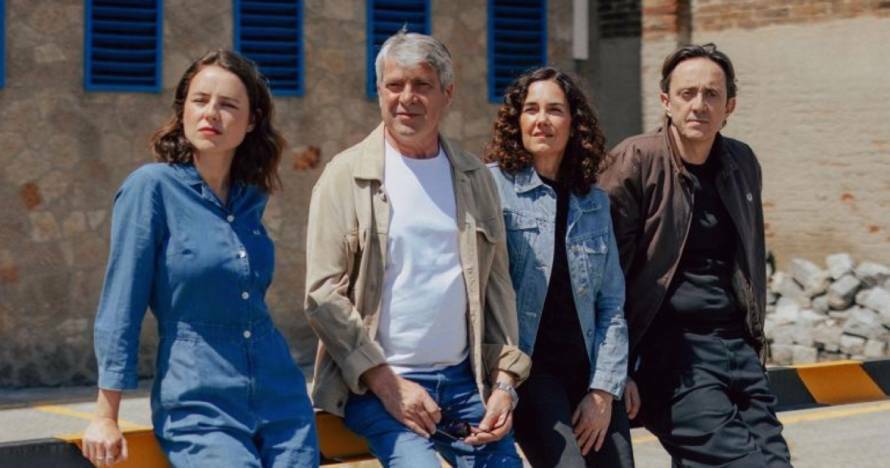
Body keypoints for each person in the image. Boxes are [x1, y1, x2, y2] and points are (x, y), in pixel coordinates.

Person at [82, 50, 319, 467]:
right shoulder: (151, 188)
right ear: (183, 111)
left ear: (251, 121)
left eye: (228, 104)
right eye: (200, 100)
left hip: (281, 399)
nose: (211, 113)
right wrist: (105, 415)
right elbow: (121, 304)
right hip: (199, 403)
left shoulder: (250, 198)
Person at [304, 31, 530, 467]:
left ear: (447, 93)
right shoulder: (345, 176)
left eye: (422, 85)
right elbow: (322, 296)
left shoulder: (475, 178)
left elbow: (497, 289)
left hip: (464, 384)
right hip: (375, 384)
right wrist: (388, 384)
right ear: (380, 91)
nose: (406, 98)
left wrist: (504, 384)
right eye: (394, 85)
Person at [599, 43, 792, 466]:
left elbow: (749, 258)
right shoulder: (636, 160)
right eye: (687, 93)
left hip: (736, 346)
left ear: (729, 106)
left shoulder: (741, 162)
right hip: (671, 352)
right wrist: (617, 367)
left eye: (711, 95)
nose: (699, 105)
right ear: (666, 101)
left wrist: (753, 345)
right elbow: (601, 273)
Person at [485, 67, 634, 467]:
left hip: (589, 370)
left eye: (554, 110)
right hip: (528, 369)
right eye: (530, 109)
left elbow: (611, 305)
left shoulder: (594, 202)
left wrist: (603, 389)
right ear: (517, 121)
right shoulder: (491, 188)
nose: (542, 120)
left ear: (573, 124)